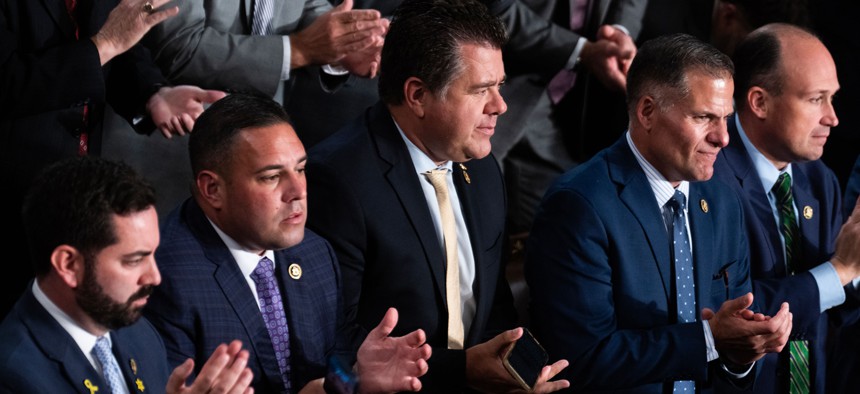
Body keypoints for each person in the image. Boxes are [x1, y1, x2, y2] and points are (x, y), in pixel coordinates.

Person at [306, 0, 568, 392]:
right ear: (418, 95)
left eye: (499, 85)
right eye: (481, 90)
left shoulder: (481, 166)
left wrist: (513, 375)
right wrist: (462, 369)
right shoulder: (339, 182)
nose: (500, 105)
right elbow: (335, 343)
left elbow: (494, 308)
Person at [526, 33, 793, 392]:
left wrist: (741, 355)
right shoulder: (579, 207)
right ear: (647, 111)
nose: (722, 138)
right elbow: (583, 360)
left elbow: (731, 359)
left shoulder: (723, 202)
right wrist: (710, 341)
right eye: (704, 117)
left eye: (725, 118)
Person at [144, 93, 431, 393]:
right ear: (212, 189)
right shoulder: (163, 279)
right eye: (271, 177)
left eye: (300, 169)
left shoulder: (314, 252)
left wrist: (356, 377)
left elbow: (331, 370)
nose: (298, 191)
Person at [0, 0, 225, 318]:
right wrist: (103, 45)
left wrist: (153, 94)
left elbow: (120, 46)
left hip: (74, 186)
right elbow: (8, 79)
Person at [0, 157, 253, 393]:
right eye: (134, 260)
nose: (155, 277)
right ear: (68, 265)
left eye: (153, 254)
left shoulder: (140, 333)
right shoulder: (14, 374)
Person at [714, 23, 860, 393]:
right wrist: (840, 269)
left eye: (833, 98)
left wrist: (856, 268)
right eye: (816, 99)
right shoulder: (709, 180)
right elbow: (736, 311)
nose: (832, 117)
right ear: (759, 102)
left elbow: (838, 310)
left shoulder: (818, 177)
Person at [142, 0, 388, 103]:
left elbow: (305, 6)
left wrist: (346, 44)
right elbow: (181, 47)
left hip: (266, 128)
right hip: (180, 134)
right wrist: (297, 51)